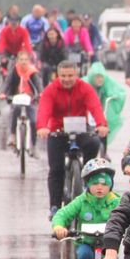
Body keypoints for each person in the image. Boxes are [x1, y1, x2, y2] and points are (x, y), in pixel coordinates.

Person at [36, 60, 109, 219]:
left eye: (70, 75)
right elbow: (44, 109)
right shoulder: (51, 90)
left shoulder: (85, 88)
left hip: (81, 130)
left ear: (76, 75)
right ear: (58, 75)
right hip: (57, 132)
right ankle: (55, 206)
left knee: (94, 142)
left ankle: (85, 178)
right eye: (63, 76)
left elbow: (95, 107)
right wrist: (42, 126)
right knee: (56, 170)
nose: (67, 79)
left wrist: (101, 124)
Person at [50, 158, 122, 259]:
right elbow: (62, 214)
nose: (99, 188)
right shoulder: (81, 201)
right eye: (95, 183)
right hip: (86, 243)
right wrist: (59, 227)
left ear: (111, 185)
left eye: (104, 184)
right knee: (83, 256)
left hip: (108, 248)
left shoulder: (116, 202)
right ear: (87, 184)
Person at [0, 50, 43, 150]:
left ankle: (34, 145)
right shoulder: (14, 71)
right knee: (14, 111)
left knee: (33, 121)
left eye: (26, 60)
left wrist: (41, 93)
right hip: (16, 98)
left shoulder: (33, 72)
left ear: (29, 61)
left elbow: (38, 84)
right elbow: (7, 83)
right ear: (17, 61)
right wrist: (3, 93)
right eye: (21, 60)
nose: (23, 62)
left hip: (30, 99)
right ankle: (12, 135)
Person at [84, 62, 126, 154]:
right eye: (97, 77)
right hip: (85, 112)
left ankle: (104, 152)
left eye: (101, 77)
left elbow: (119, 91)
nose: (99, 80)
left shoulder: (107, 83)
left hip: (99, 112)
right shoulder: (85, 83)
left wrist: (114, 96)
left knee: (103, 126)